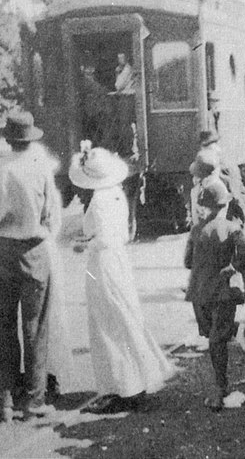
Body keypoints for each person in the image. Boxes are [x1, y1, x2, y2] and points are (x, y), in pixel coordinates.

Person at [70, 143, 175, 414]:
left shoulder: (101, 199)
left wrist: (85, 244)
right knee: (123, 318)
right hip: (117, 261)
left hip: (103, 263)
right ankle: (133, 382)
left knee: (107, 322)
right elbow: (121, 234)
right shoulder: (116, 193)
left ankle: (121, 388)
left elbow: (103, 238)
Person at [0, 112, 61, 422]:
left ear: (7, 138)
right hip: (33, 248)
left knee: (2, 326)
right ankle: (34, 399)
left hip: (0, 248)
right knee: (35, 326)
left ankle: (5, 399)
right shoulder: (39, 168)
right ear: (31, 139)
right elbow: (50, 214)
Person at [184, 177, 245, 411]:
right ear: (225, 205)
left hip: (199, 293)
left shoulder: (195, 230)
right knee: (216, 338)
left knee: (211, 335)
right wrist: (235, 266)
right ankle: (235, 332)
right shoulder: (233, 228)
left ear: (205, 206)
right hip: (223, 291)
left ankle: (220, 388)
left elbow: (186, 262)